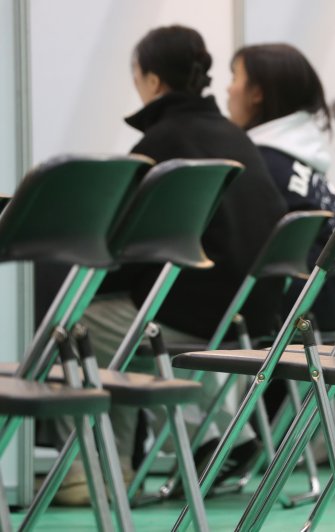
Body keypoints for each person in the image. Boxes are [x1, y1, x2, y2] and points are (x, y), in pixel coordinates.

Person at [55, 25, 287, 505]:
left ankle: (103, 470)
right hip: (252, 312)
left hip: (196, 313)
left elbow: (121, 244)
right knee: (123, 322)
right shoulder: (234, 137)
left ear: (153, 82)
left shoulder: (160, 143)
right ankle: (210, 438)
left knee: (75, 323)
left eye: (136, 75)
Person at [226, 43, 335, 334]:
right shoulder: (304, 160)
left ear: (257, 93)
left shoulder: (260, 164)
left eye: (234, 78)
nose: (227, 89)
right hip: (334, 313)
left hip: (289, 324)